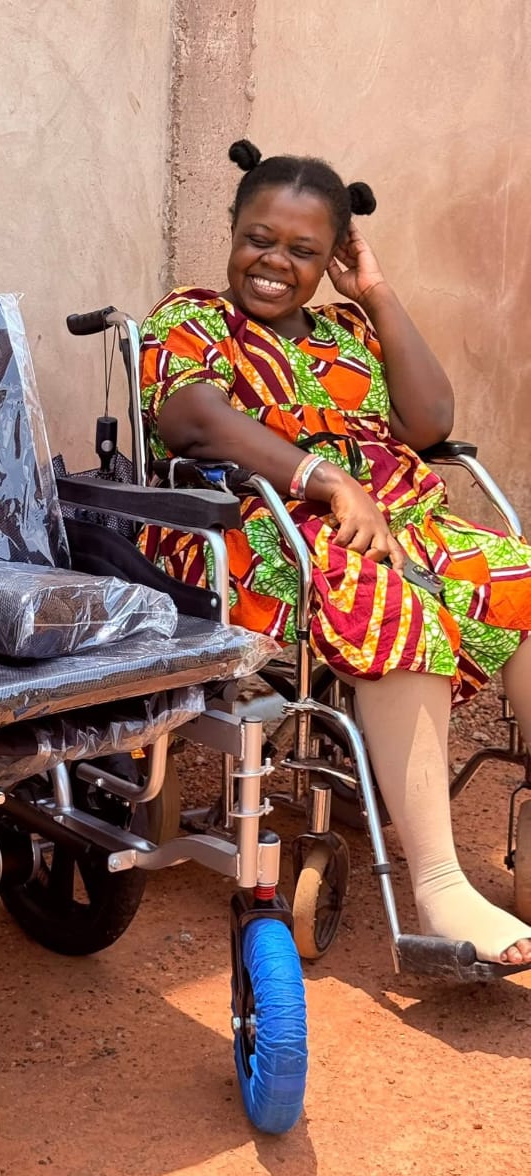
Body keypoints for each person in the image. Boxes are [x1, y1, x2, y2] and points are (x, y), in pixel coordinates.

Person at [139, 138, 531, 965]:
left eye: (303, 250)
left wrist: (377, 293)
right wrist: (326, 480)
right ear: (232, 229)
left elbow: (428, 424)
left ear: (331, 260)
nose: (275, 262)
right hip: (250, 529)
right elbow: (193, 420)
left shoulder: (349, 329)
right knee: (389, 605)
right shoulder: (193, 319)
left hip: (392, 523)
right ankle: (440, 888)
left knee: (518, 578)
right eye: (259, 239)